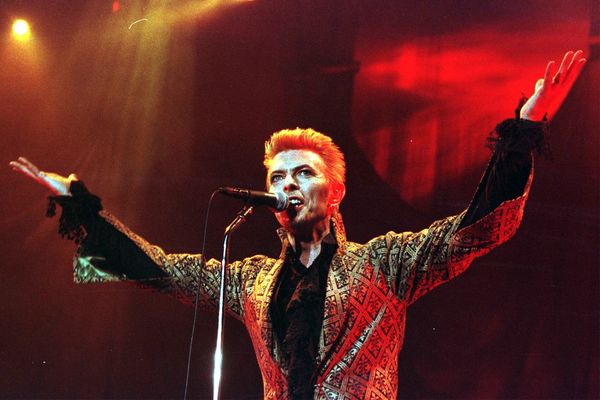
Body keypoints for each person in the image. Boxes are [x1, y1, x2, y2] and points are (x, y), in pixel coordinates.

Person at [10, 50, 586, 399]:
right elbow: (163, 270)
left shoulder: (384, 264)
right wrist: (80, 205)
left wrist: (521, 134)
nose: (286, 183)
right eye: (278, 174)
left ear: (334, 192)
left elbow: (475, 230)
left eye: (302, 172)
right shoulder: (252, 279)